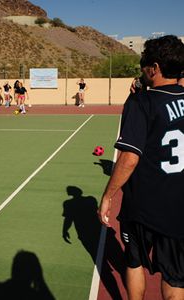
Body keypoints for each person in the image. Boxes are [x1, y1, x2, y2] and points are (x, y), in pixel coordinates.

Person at [98, 35, 184, 300]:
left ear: (154, 68)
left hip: (143, 206)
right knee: (175, 277)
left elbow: (129, 157)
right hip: (178, 205)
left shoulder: (142, 103)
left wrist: (108, 195)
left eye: (144, 64)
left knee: (134, 261)